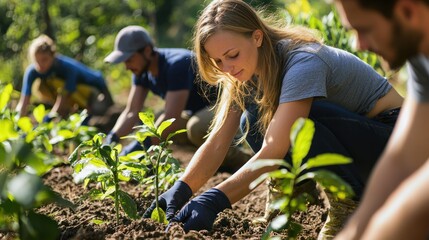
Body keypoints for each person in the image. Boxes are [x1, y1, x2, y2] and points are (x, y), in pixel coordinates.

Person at [142, 0, 404, 232]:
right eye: (218, 61)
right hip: (357, 145)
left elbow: (274, 148)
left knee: (299, 119)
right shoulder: (243, 73)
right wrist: (182, 189)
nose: (227, 68)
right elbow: (218, 142)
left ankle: (350, 202)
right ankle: (293, 194)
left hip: (394, 144)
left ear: (257, 37)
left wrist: (214, 199)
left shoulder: (303, 61)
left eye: (232, 55)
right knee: (252, 119)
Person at [332, 0, 429, 239]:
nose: (358, 44)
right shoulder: (421, 53)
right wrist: (355, 231)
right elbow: (403, 157)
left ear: (407, 11)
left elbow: (414, 212)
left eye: (364, 29)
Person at [104, 25, 250, 172]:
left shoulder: (176, 64)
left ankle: (244, 161)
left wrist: (135, 150)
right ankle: (214, 160)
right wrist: (112, 139)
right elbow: (131, 111)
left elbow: (171, 116)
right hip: (197, 111)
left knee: (194, 127)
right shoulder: (141, 72)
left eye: (129, 59)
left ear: (147, 51)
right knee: (158, 121)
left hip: (225, 106)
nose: (127, 66)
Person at [16, 34, 114, 122]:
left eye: (44, 60)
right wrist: (18, 120)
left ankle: (86, 110)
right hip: (74, 94)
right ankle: (70, 112)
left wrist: (50, 117)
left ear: (53, 56)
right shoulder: (32, 71)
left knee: (101, 114)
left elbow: (65, 96)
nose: (40, 65)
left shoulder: (66, 67)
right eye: (37, 61)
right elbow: (24, 100)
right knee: (42, 86)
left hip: (96, 90)